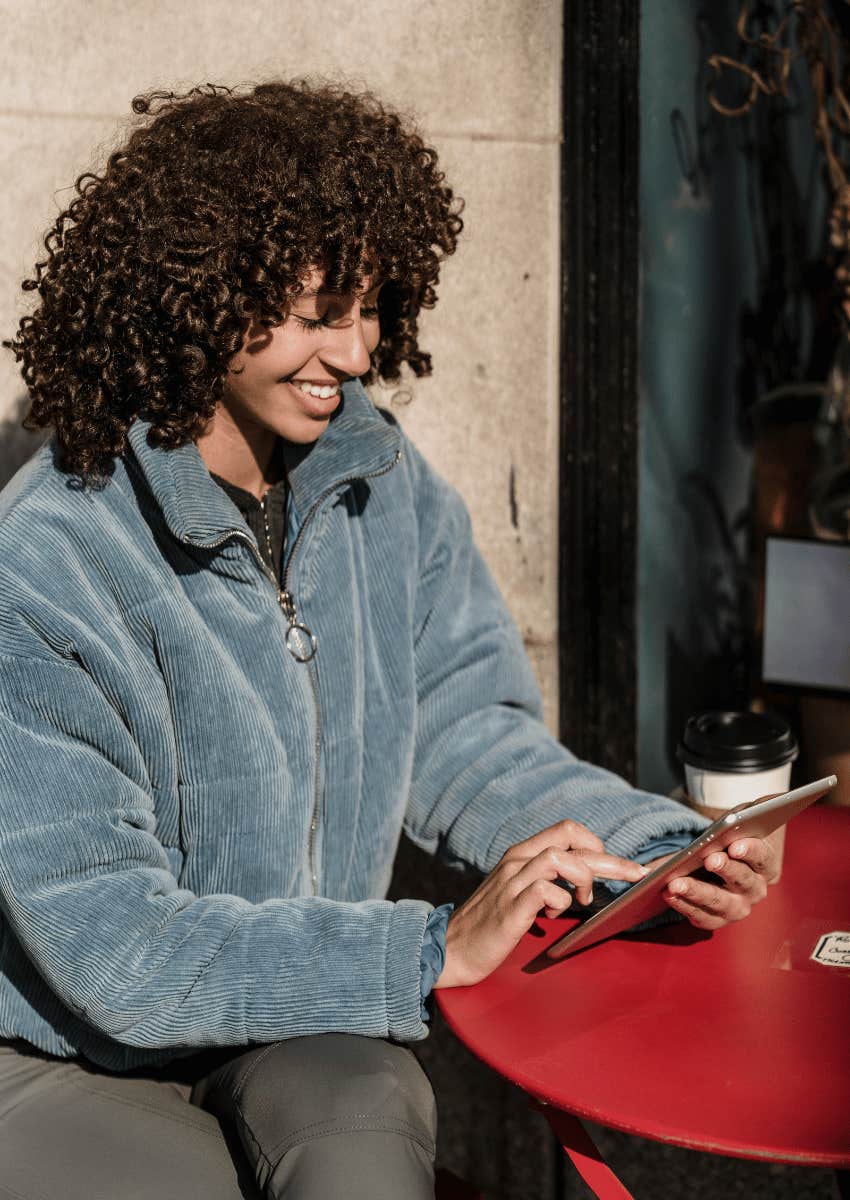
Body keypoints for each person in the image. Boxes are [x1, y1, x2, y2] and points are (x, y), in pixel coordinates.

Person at [0, 80, 778, 1200]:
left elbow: (466, 734)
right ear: (201, 297)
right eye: (322, 315)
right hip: (71, 1056)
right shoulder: (51, 556)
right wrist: (423, 953)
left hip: (299, 1018)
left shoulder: (379, 484)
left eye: (371, 310)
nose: (358, 353)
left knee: (363, 1136)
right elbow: (117, 950)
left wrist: (650, 851)